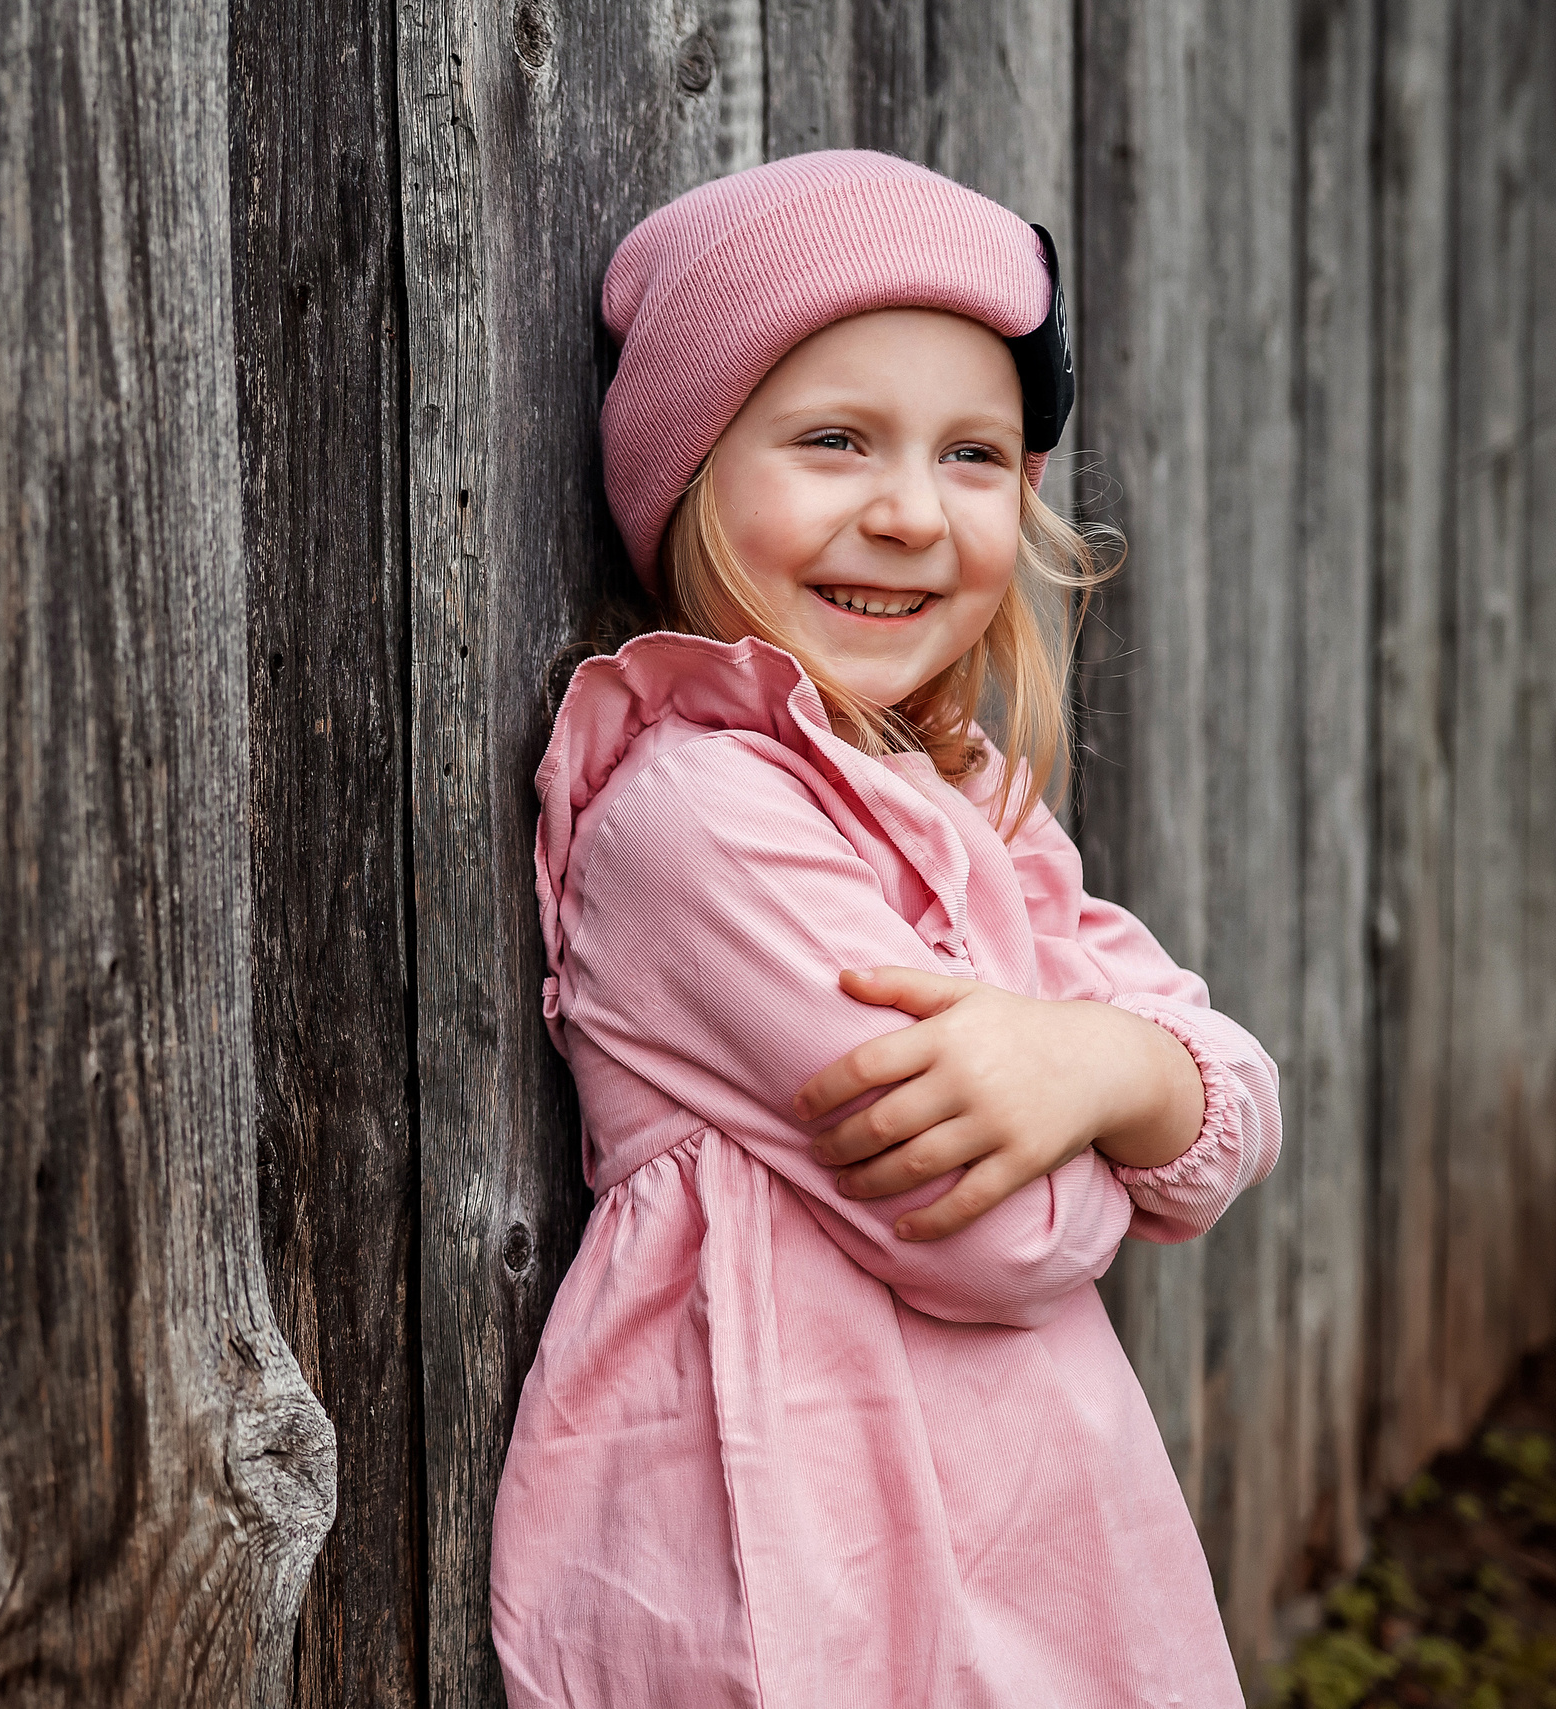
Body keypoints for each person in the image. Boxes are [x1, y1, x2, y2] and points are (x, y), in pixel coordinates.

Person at [489, 150, 1281, 1708]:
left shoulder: (970, 795)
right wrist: (1116, 1081)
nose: (912, 512)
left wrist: (1103, 1066)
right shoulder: (699, 818)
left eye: (975, 454)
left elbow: (1239, 1097)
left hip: (1031, 1531)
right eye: (836, 439)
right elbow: (1001, 1233)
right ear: (694, 472)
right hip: (804, 1561)